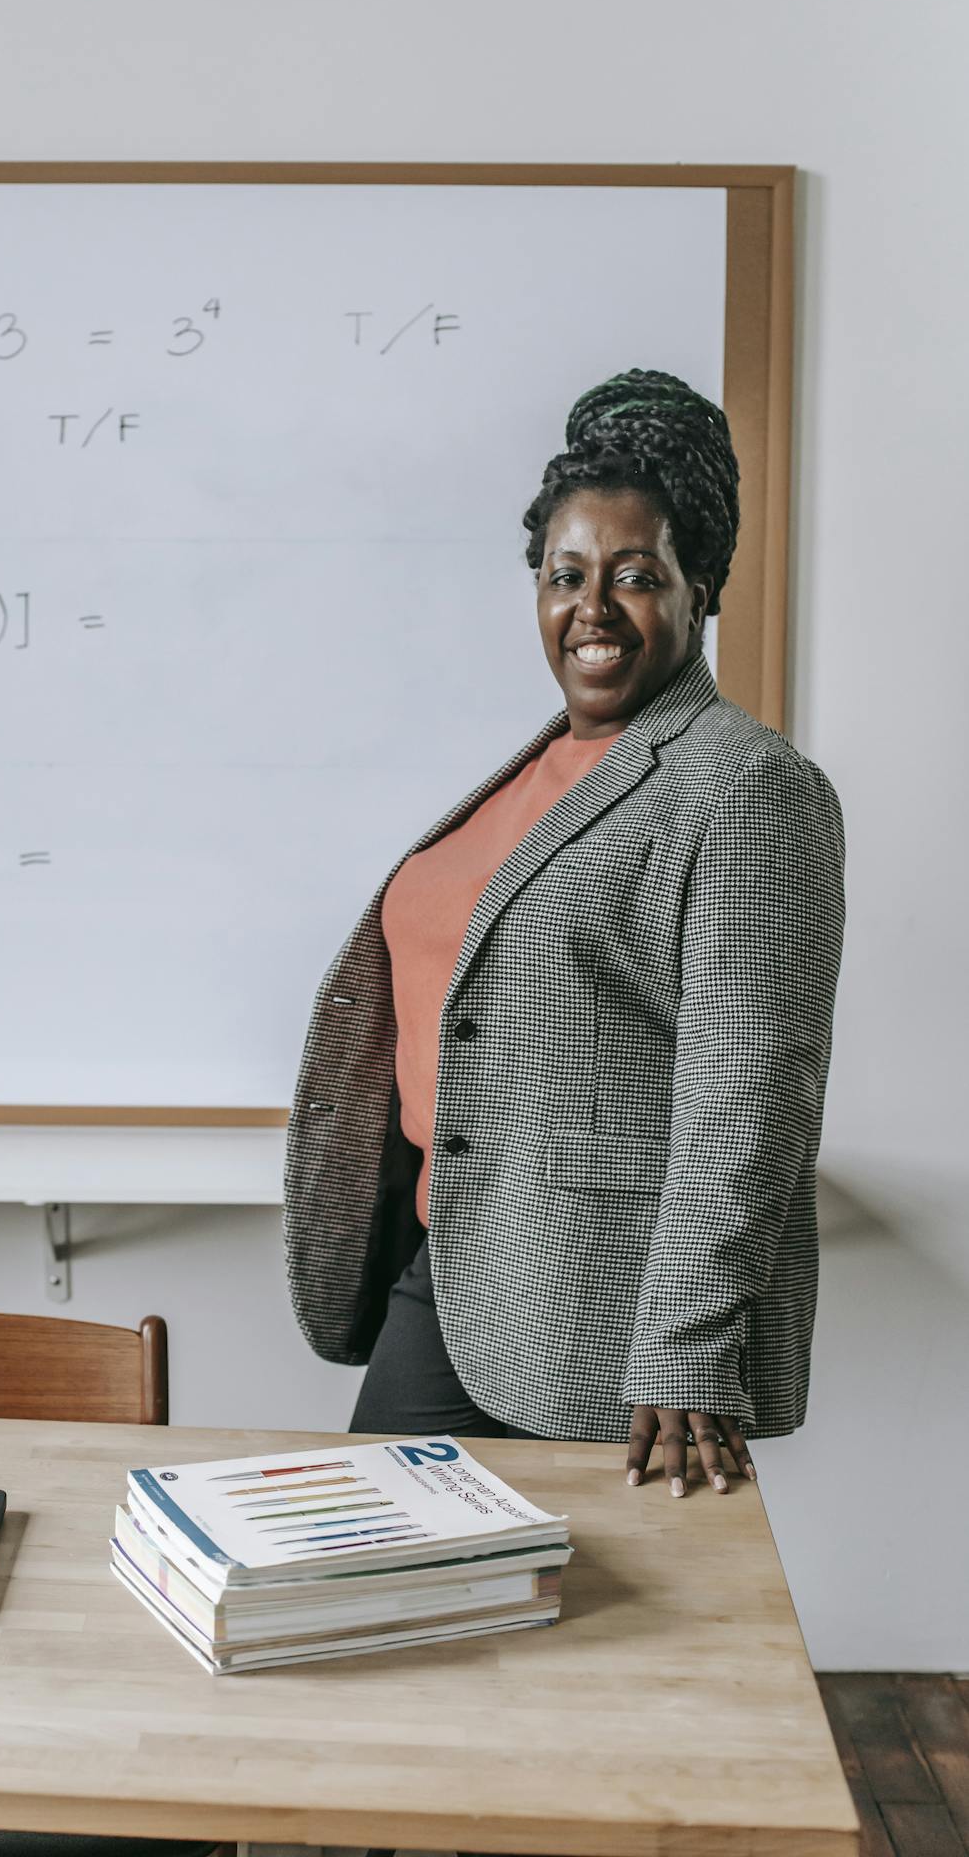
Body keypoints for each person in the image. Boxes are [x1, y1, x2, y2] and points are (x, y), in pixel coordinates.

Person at [283, 369, 845, 1499]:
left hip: (610, 1310)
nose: (593, 606)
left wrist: (685, 1344)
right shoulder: (537, 768)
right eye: (566, 574)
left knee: (597, 1649)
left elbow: (753, 1091)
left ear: (705, 589)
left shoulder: (747, 787)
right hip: (456, 1264)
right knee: (377, 1589)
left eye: (637, 576)